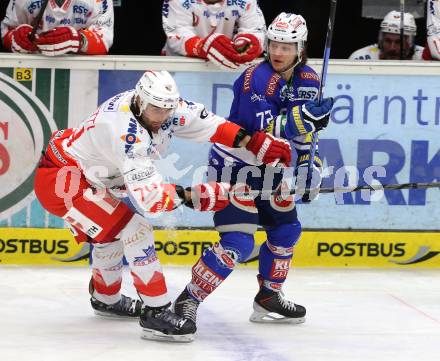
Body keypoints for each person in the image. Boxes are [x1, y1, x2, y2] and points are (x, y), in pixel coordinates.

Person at [33, 70, 292, 341]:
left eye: (167, 110)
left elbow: (210, 124)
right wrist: (211, 194)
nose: (162, 117)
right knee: (136, 229)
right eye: (156, 110)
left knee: (110, 234)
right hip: (63, 181)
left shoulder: (164, 107)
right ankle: (156, 311)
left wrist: (254, 142)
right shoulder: (126, 134)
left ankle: (105, 299)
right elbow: (152, 199)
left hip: (92, 176)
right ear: (141, 102)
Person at [141, 13, 334, 342]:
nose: (277, 51)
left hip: (270, 170)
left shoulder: (309, 81)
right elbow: (261, 131)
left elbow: (304, 137)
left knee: (287, 230)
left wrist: (310, 164)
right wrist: (302, 119)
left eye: (287, 46)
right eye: (273, 43)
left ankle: (268, 296)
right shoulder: (254, 78)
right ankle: (187, 301)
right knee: (238, 243)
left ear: (300, 49)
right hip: (235, 166)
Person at [161, 0, 265, 69]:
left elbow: (256, 30)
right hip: (181, 66)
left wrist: (246, 43)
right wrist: (202, 46)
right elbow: (177, 32)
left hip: (229, 66)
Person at [1, 0, 113, 55]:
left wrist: (78, 40)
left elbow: (104, 39)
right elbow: (7, 31)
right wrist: (16, 38)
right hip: (33, 66)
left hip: (81, 73)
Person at [349, 10, 424, 60]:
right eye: (388, 41)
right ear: (381, 41)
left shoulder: (424, 58)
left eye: (399, 42)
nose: (392, 48)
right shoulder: (360, 59)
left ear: (410, 43)